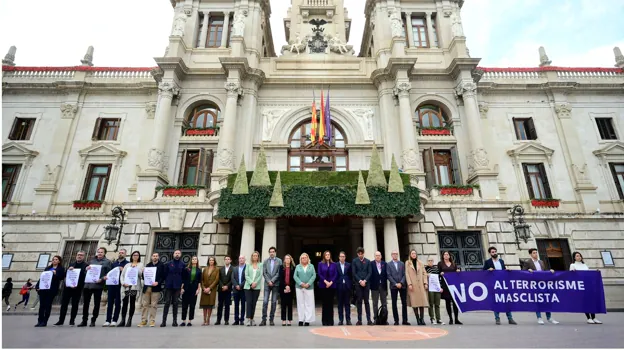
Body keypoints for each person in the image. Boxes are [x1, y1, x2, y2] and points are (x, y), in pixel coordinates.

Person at [524, 248, 559, 325]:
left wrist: (550, 271)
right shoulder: (527, 262)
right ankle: (539, 317)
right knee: (538, 300)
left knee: (546, 300)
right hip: (535, 284)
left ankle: (549, 317)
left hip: (543, 284)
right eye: (534, 253)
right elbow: (523, 272)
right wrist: (528, 271)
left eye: (536, 252)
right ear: (530, 254)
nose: (535, 254)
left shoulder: (541, 262)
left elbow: (545, 271)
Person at [79, 247, 112, 327]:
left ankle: (93, 320)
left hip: (98, 285)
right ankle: (84, 320)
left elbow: (108, 274)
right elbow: (85, 272)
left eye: (101, 252)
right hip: (88, 285)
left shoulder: (107, 262)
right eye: (98, 252)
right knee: (85, 304)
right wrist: (86, 269)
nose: (100, 253)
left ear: (104, 253)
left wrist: (102, 279)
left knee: (96, 304)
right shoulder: (91, 260)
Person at [483, 246, 517, 325]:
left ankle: (510, 318)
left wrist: (507, 270)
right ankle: (497, 318)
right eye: (492, 252)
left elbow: (503, 270)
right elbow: (483, 272)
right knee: (496, 301)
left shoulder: (501, 261)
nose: (494, 253)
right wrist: (488, 270)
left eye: (495, 251)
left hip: (503, 284)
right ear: (490, 253)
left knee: (506, 301)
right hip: (494, 284)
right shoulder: (488, 262)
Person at [54, 250, 88, 326]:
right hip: (68, 288)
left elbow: (85, 276)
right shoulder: (71, 264)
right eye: (78, 255)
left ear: (84, 256)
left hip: (77, 288)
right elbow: (66, 275)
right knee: (64, 304)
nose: (79, 256)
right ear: (76, 256)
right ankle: (61, 320)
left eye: (81, 255)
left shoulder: (86, 265)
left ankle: (72, 320)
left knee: (75, 305)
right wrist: (68, 271)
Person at [570, 251, 602, 324]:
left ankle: (594, 317)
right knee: (585, 302)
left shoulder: (585, 265)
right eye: (577, 256)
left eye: (580, 256)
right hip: (581, 286)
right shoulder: (573, 265)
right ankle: (588, 317)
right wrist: (573, 272)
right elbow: (571, 276)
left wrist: (595, 272)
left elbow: (589, 274)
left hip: (588, 285)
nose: (579, 257)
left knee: (591, 301)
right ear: (574, 258)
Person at [35, 255, 66, 327]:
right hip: (43, 289)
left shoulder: (61, 269)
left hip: (51, 290)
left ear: (59, 261)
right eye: (53, 259)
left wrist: (56, 274)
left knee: (48, 305)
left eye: (56, 259)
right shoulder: (48, 268)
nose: (54, 260)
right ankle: (40, 321)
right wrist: (37, 286)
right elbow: (42, 278)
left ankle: (44, 321)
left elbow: (61, 277)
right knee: (42, 306)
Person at [161, 249, 188, 327]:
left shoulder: (183, 265)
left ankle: (175, 321)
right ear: (173, 254)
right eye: (176, 253)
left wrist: (182, 286)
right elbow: (165, 274)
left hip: (177, 286)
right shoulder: (168, 264)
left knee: (175, 303)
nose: (177, 254)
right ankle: (164, 321)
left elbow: (184, 276)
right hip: (169, 285)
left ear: (180, 255)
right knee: (167, 302)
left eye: (178, 253)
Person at [138, 252, 165, 328]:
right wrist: (143, 272)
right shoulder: (148, 265)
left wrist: (158, 282)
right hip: (147, 287)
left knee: (153, 305)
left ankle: (152, 320)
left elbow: (163, 276)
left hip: (156, 287)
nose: (155, 257)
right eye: (154, 256)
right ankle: (144, 320)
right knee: (145, 304)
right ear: (151, 257)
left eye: (156, 256)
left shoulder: (161, 265)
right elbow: (144, 277)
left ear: (158, 257)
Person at [104, 248, 128, 327]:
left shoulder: (127, 264)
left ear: (125, 254)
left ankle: (114, 320)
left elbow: (129, 275)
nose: (120, 254)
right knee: (110, 303)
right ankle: (108, 320)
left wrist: (123, 270)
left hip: (120, 286)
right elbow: (109, 273)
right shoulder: (113, 263)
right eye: (120, 252)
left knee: (118, 303)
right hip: (112, 285)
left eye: (122, 253)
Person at [119, 250, 143, 327]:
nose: (135, 256)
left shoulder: (140, 265)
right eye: (134, 255)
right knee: (125, 303)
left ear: (139, 257)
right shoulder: (127, 265)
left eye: (137, 255)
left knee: (132, 303)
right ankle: (123, 320)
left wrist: (136, 268)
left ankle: (129, 320)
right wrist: (123, 283)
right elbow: (122, 275)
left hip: (134, 287)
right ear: (132, 256)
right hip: (126, 287)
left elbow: (141, 275)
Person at [438, 251, 462, 325]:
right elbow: (438, 273)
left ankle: (456, 319)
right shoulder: (440, 264)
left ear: (449, 256)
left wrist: (458, 271)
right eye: (444, 254)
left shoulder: (454, 264)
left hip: (453, 285)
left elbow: (457, 272)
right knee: (447, 302)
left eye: (447, 254)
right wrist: (440, 273)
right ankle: (450, 319)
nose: (446, 255)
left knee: (455, 302)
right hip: (445, 285)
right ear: (443, 256)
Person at [405, 250, 428, 326]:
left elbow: (424, 273)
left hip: (420, 285)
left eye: (415, 253)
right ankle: (417, 319)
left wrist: (425, 283)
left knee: (421, 303)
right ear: (410, 255)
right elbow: (407, 274)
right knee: (415, 303)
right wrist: (409, 284)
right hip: (413, 286)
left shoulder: (420, 263)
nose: (414, 255)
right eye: (412, 253)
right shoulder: (407, 263)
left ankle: (422, 319)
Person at [387, 250, 409, 326]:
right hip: (394, 286)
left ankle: (405, 320)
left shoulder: (402, 264)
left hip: (402, 286)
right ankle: (396, 320)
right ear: (391, 255)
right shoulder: (389, 264)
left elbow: (404, 274)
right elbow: (389, 275)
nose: (395, 255)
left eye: (396, 254)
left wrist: (401, 283)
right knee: (394, 303)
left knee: (404, 303)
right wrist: (395, 284)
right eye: (393, 254)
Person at [261, 246, 282, 326]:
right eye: (270, 252)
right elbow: (264, 272)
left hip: (275, 284)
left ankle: (271, 319)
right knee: (265, 301)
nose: (272, 253)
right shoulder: (265, 261)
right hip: (267, 284)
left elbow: (278, 273)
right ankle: (263, 319)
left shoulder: (279, 261)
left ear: (275, 252)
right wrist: (269, 281)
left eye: (273, 251)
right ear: (269, 253)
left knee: (273, 302)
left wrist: (272, 281)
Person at [352, 247, 373, 326]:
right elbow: (354, 273)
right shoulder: (354, 261)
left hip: (366, 284)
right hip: (358, 284)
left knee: (367, 302)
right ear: (357, 254)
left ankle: (369, 320)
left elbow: (369, 272)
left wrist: (365, 281)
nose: (360, 255)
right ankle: (359, 320)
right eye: (359, 254)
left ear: (363, 253)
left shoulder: (368, 261)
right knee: (359, 302)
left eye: (361, 254)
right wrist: (360, 281)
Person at [294, 252, 316, 326]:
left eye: (305, 257)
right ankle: (301, 319)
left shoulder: (311, 266)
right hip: (299, 287)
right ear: (300, 259)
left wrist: (308, 283)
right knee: (300, 304)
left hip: (309, 287)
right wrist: (301, 283)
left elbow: (314, 275)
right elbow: (295, 276)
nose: (304, 259)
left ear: (308, 258)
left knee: (309, 304)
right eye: (302, 258)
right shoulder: (298, 266)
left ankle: (307, 320)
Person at [317, 250, 337, 326]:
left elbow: (335, 274)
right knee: (325, 304)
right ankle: (325, 321)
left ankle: (330, 321)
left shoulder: (334, 264)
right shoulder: (320, 264)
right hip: (323, 285)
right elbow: (319, 273)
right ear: (324, 256)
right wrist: (325, 282)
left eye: (329, 255)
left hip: (332, 286)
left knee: (330, 304)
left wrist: (331, 282)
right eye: (326, 255)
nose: (327, 256)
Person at [181, 256, 201, 327]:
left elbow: (199, 281)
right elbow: (183, 279)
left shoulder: (199, 270)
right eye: (193, 259)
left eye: (195, 259)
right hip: (186, 288)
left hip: (194, 288)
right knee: (184, 305)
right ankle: (183, 320)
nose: (194, 260)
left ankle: (189, 321)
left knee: (192, 305)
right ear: (191, 261)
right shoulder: (187, 269)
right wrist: (182, 288)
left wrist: (198, 290)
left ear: (197, 261)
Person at [244, 251, 263, 326]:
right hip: (248, 286)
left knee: (254, 303)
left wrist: (255, 283)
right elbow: (246, 275)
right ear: (252, 257)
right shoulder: (248, 265)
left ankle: (252, 318)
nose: (255, 257)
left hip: (256, 287)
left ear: (258, 257)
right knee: (249, 302)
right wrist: (251, 283)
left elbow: (260, 275)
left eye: (256, 256)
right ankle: (248, 319)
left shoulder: (261, 265)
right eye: (253, 256)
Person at [200, 256, 219, 325]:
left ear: (214, 261)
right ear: (208, 261)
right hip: (204, 289)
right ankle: (204, 320)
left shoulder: (217, 269)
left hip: (212, 289)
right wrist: (204, 288)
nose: (211, 261)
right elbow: (201, 279)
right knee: (204, 305)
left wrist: (209, 288)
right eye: (210, 260)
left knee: (210, 305)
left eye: (212, 260)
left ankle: (208, 320)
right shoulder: (205, 269)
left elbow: (216, 280)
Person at [370, 251, 388, 325]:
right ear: (374, 256)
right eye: (376, 255)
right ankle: (375, 319)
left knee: (384, 303)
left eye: (379, 255)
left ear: (381, 256)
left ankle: (384, 319)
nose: (377, 256)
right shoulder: (371, 264)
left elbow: (386, 275)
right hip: (374, 286)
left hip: (383, 286)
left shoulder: (384, 264)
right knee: (375, 303)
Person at [424, 256, 443, 325]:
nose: (430, 262)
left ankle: (439, 319)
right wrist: (426, 275)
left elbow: (439, 279)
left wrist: (441, 287)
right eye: (429, 260)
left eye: (431, 260)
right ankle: (432, 318)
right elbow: (422, 276)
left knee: (437, 304)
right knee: (431, 304)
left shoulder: (436, 269)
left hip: (437, 289)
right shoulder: (425, 269)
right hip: (430, 289)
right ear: (427, 262)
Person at [335, 251, 352, 326]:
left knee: (347, 304)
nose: (342, 258)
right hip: (339, 286)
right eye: (341, 256)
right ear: (339, 257)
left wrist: (350, 284)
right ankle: (341, 320)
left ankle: (348, 320)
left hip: (347, 287)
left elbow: (351, 275)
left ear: (345, 257)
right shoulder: (336, 265)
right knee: (340, 304)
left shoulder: (348, 265)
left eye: (343, 256)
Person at [279, 254, 296, 326]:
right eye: (286, 258)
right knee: (283, 304)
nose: (287, 260)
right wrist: (285, 286)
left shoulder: (293, 268)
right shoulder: (281, 267)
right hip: (283, 288)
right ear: (284, 260)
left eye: (289, 258)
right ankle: (283, 320)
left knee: (289, 305)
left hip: (291, 288)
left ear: (291, 260)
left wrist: (289, 286)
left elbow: (294, 278)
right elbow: (280, 278)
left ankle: (289, 320)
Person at [216, 256, 233, 325]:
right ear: (224, 260)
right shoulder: (220, 269)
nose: (227, 260)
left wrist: (227, 286)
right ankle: (218, 320)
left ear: (230, 260)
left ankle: (226, 320)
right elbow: (218, 278)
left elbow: (232, 279)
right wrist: (222, 286)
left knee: (227, 305)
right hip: (221, 289)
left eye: (228, 259)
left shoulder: (233, 269)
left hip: (228, 290)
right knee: (220, 305)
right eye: (226, 259)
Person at [231, 255, 246, 325]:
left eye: (242, 258)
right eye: (240, 258)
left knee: (243, 305)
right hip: (236, 289)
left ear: (244, 260)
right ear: (238, 260)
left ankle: (242, 319)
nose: (241, 259)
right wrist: (236, 285)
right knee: (236, 305)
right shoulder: (235, 268)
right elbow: (232, 278)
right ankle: (236, 319)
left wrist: (240, 286)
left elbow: (247, 278)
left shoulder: (247, 268)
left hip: (243, 289)